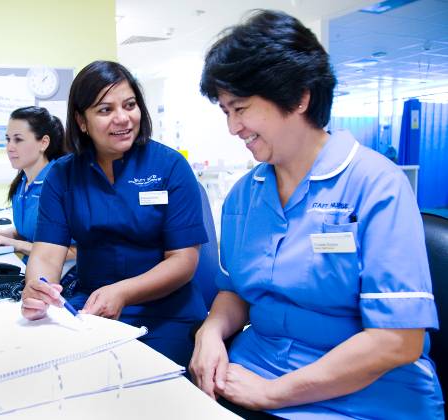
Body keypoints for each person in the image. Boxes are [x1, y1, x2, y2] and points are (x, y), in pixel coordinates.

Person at [189, 9, 444, 419]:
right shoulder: (244, 195)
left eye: (241, 108)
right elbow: (237, 289)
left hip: (367, 397)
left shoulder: (376, 184)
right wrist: (211, 332)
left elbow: (398, 340)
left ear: (299, 96)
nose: (233, 127)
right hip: (254, 370)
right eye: (225, 111)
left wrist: (275, 394)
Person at [20, 60, 209, 367]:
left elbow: (184, 261)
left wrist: (122, 292)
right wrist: (37, 289)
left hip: (166, 312)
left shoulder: (170, 167)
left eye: (130, 105)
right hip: (92, 308)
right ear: (82, 121)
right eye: (105, 110)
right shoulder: (62, 175)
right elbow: (47, 254)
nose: (123, 118)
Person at [0, 106, 74, 263]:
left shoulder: (61, 183)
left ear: (44, 143)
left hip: (61, 277)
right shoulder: (22, 183)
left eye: (18, 139)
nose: (10, 147)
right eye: (8, 139)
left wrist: (16, 245)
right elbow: (26, 232)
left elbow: (76, 251)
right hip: (31, 270)